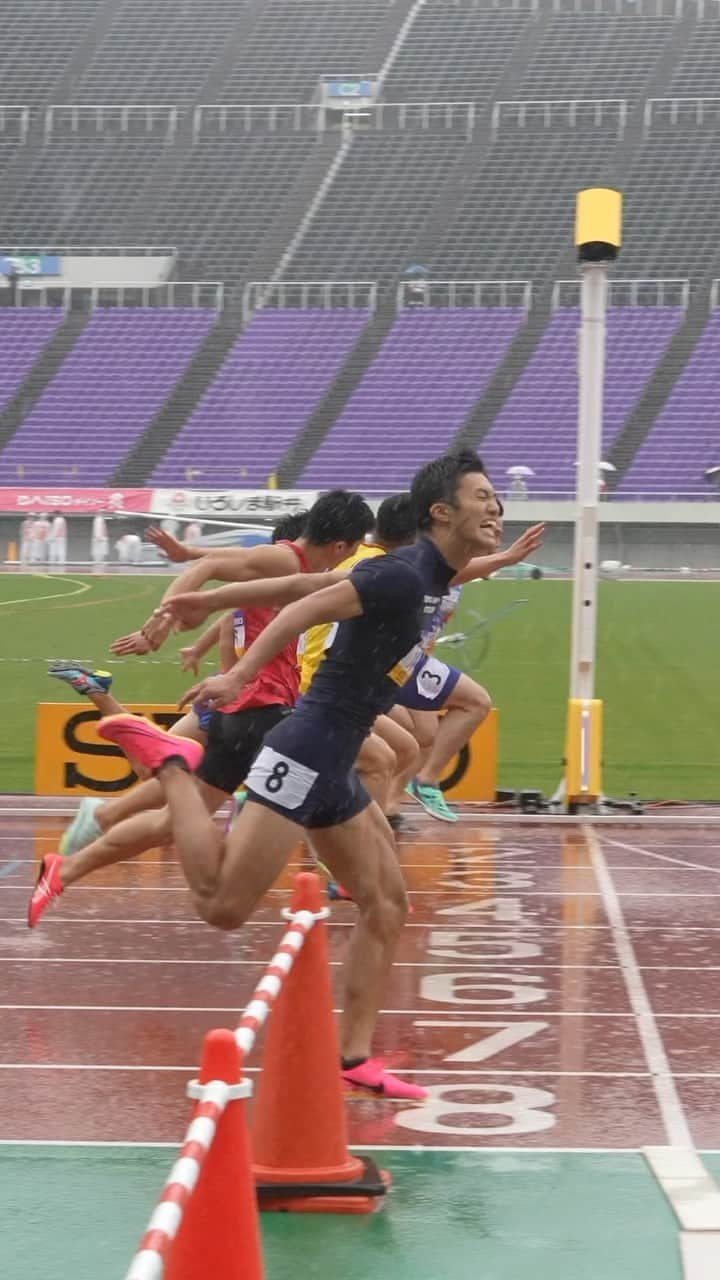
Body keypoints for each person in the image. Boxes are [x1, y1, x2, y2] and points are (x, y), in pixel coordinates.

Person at [30, 451, 502, 1100]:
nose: (496, 507)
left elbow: (300, 587)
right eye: (482, 496)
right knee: (224, 906)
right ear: (441, 513)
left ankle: (354, 1057)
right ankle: (170, 765)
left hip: (335, 761)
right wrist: (233, 671)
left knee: (387, 904)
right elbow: (298, 609)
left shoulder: (428, 577)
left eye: (496, 497)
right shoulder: (400, 576)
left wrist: (213, 600)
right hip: (305, 750)